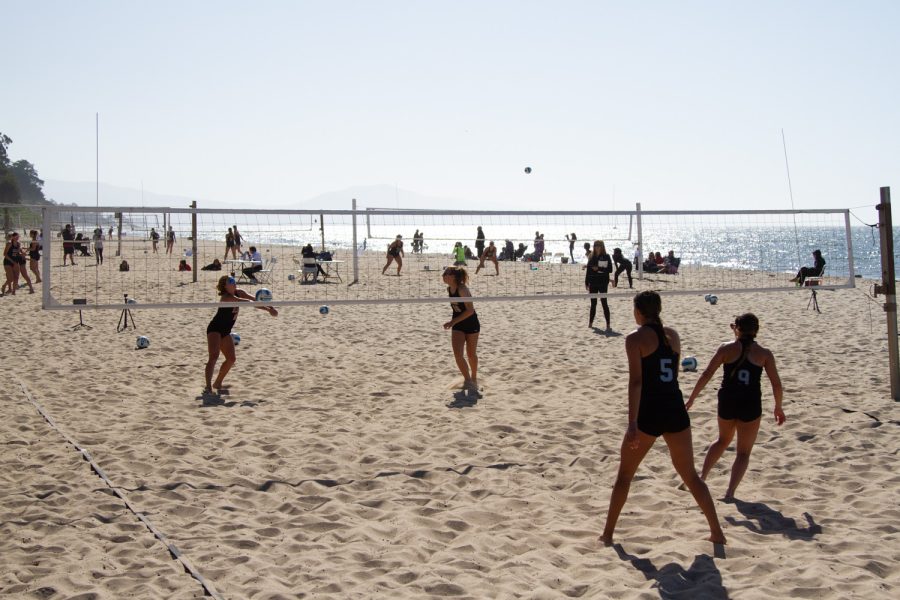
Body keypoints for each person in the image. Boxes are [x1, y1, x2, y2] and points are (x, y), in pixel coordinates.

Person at [599, 291, 726, 546]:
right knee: (690, 475)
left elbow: (636, 382)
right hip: (674, 408)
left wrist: (632, 423)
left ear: (639, 312)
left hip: (649, 412)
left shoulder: (635, 339)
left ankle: (608, 534)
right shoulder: (673, 335)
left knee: (624, 476)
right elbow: (673, 375)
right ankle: (717, 532)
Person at [686, 313, 785, 501]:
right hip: (750, 403)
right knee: (743, 452)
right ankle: (730, 492)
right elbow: (776, 384)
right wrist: (778, 407)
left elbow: (707, 374)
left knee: (722, 440)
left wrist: (692, 398)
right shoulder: (764, 353)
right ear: (756, 331)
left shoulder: (726, 348)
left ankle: (702, 478)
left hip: (728, 400)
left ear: (736, 329)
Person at [205, 275, 277, 393]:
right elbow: (245, 302)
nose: (234, 282)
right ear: (225, 286)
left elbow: (255, 300)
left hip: (226, 331)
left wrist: (269, 308)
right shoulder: (226, 297)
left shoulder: (240, 292)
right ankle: (208, 386)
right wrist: (265, 307)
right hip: (215, 329)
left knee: (231, 359)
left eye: (233, 280)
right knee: (214, 356)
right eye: (231, 281)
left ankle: (217, 383)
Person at [442, 266, 480, 392]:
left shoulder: (462, 289)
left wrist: (452, 322)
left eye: (446, 273)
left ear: (454, 276)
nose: (443, 275)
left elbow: (470, 310)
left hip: (471, 323)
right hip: (458, 324)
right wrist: (453, 322)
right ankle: (468, 380)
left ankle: (474, 378)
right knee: (458, 355)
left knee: (471, 354)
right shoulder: (449, 288)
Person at [585, 240, 613, 329]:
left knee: (604, 302)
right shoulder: (591, 256)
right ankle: (590, 323)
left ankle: (608, 324)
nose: (597, 247)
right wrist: (586, 282)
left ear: (602, 246)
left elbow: (610, 269)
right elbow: (588, 270)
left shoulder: (606, 256)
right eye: (595, 245)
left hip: (603, 282)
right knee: (593, 303)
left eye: (599, 245)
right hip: (593, 282)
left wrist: (599, 268)